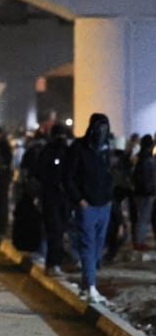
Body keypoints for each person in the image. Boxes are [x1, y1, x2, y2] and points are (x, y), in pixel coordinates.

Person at [65, 113, 113, 305]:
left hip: (104, 205)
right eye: (99, 128)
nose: (102, 132)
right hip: (87, 205)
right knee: (88, 245)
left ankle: (87, 286)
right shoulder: (78, 148)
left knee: (98, 246)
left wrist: (110, 198)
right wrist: (79, 199)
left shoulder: (105, 149)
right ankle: (91, 286)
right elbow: (68, 177)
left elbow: (110, 174)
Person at [34, 123, 70, 277]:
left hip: (64, 198)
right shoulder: (47, 152)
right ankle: (52, 263)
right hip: (50, 196)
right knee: (54, 231)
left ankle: (56, 262)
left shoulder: (67, 152)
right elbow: (40, 173)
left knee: (60, 231)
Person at [131, 134, 155, 251]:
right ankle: (140, 242)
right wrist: (151, 192)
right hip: (145, 193)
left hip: (140, 192)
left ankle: (139, 241)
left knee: (142, 218)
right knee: (143, 218)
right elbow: (147, 178)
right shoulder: (146, 158)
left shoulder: (140, 156)